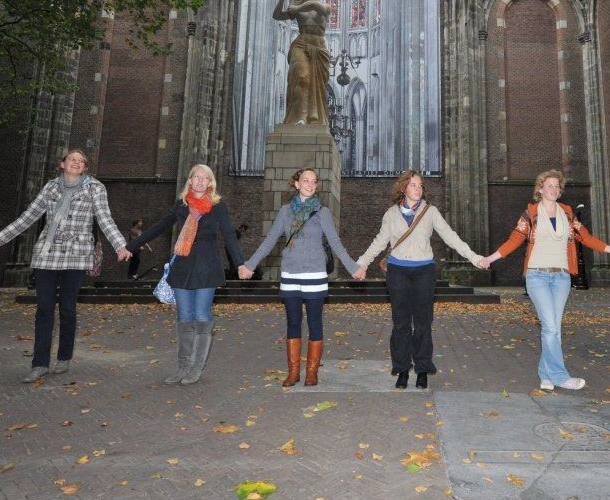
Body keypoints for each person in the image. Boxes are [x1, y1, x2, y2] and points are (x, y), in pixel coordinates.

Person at [0, 149, 131, 383]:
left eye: (81, 161)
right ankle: (39, 363)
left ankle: (64, 356)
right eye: (72, 160)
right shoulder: (50, 188)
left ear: (85, 168)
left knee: (67, 307)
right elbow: (27, 218)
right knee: (44, 308)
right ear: (63, 164)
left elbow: (105, 218)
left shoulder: (95, 188)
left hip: (77, 255)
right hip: (47, 254)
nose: (76, 163)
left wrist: (120, 246)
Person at [479, 169, 610, 391]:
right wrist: (490, 258)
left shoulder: (568, 213)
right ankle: (561, 376)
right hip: (537, 276)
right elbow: (514, 240)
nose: (554, 189)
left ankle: (546, 375)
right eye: (550, 186)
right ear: (540, 189)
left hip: (561, 277)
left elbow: (587, 238)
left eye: (557, 186)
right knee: (551, 327)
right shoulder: (531, 214)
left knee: (553, 328)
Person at [356, 170, 484, 390]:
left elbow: (450, 236)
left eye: (420, 185)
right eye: (413, 185)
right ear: (404, 187)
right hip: (397, 272)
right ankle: (402, 369)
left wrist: (474, 257)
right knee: (401, 322)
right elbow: (379, 242)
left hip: (424, 271)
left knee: (423, 322)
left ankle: (423, 368)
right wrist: (362, 263)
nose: (418, 188)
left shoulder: (430, 212)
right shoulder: (391, 214)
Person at [239, 168, 361, 387]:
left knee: (315, 323)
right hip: (290, 275)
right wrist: (250, 265)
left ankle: (312, 371)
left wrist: (352, 267)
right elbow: (270, 241)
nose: (310, 184)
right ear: (296, 184)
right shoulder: (285, 212)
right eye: (306, 180)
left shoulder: (322, 212)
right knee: (293, 323)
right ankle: (293, 371)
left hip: (315, 274)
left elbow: (335, 243)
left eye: (314, 181)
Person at [126, 164, 245, 385]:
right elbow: (158, 228)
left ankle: (195, 368)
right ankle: (182, 367)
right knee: (183, 318)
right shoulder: (181, 206)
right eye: (195, 177)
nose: (200, 181)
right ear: (189, 181)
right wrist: (131, 247)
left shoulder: (218, 206)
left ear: (210, 183)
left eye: (204, 178)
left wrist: (241, 264)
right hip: (182, 267)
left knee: (201, 316)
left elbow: (229, 235)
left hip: (207, 269)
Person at [273, 0, 331, 126]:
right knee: (301, 77)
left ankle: (314, 118)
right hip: (300, 44)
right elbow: (277, 16)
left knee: (317, 88)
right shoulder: (296, 6)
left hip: (319, 48)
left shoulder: (325, 6)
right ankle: (299, 117)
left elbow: (316, 7)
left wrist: (297, 7)